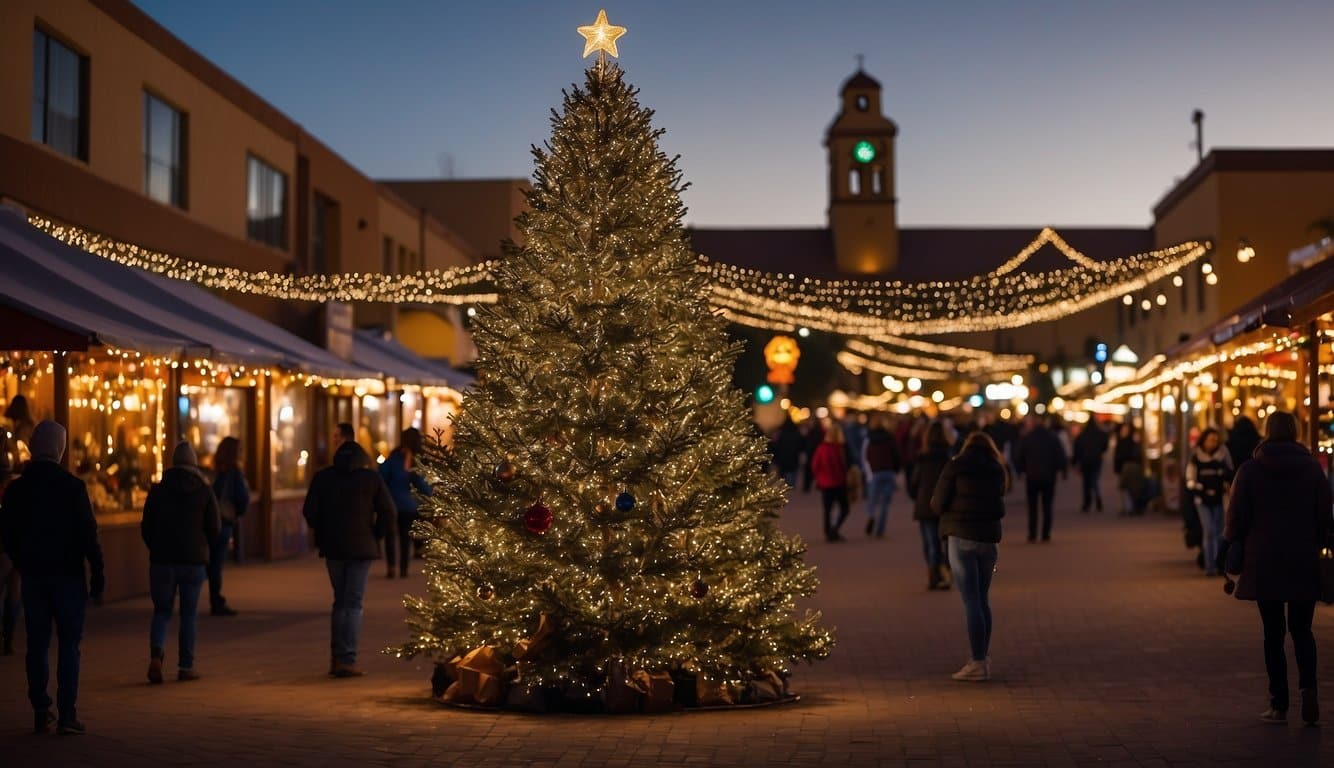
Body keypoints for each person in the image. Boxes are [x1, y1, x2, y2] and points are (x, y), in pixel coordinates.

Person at [1224, 411, 1331, 726]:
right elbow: (1326, 513)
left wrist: (1229, 546)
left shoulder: (1251, 469)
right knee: (1302, 630)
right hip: (1302, 558)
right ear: (1296, 431)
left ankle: (1278, 701)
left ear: (1267, 432)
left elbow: (1236, 518)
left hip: (1264, 560)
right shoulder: (1312, 469)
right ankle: (1308, 689)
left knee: (1273, 633)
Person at [0, 421, 104, 735]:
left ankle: (41, 707)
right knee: (69, 644)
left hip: (34, 575)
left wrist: (21, 560)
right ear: (59, 449)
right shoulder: (72, 487)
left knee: (37, 643)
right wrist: (97, 570)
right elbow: (88, 532)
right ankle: (68, 712)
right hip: (68, 575)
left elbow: (7, 532)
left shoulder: (18, 489)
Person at [303, 439, 394, 677]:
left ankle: (337, 657)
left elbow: (310, 511)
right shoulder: (370, 478)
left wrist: (323, 533)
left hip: (334, 547)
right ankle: (346, 657)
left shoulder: (323, 478)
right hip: (362, 547)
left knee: (340, 600)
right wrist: (376, 535)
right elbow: (388, 511)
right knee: (353, 602)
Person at [931, 431, 1009, 682]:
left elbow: (937, 502)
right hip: (988, 540)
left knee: (971, 601)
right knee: (982, 600)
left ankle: (977, 662)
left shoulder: (956, 466)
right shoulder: (997, 469)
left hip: (961, 536)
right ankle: (982, 658)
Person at [141, 442, 220, 683]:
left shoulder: (157, 490)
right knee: (189, 615)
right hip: (193, 561)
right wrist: (203, 545)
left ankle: (157, 655)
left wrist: (156, 547)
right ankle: (186, 666)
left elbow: (146, 526)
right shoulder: (204, 490)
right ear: (194, 463)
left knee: (162, 611)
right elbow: (214, 528)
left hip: (162, 561)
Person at [380, 428, 432, 579]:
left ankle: (392, 567)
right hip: (410, 505)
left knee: (392, 535)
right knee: (404, 536)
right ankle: (402, 568)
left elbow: (383, 474)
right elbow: (425, 487)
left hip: (393, 502)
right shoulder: (421, 459)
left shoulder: (395, 456)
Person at [908, 421, 952, 590]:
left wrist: (918, 496)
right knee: (946, 541)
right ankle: (945, 570)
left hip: (925, 506)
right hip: (945, 506)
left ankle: (933, 574)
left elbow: (913, 485)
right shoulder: (949, 459)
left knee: (930, 543)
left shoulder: (922, 459)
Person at [1185, 428, 1234, 578]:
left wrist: (1225, 482)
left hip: (1219, 498)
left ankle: (1219, 565)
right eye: (1210, 440)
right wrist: (1201, 489)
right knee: (1209, 530)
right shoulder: (1196, 456)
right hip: (1202, 500)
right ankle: (1210, 566)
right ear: (1204, 440)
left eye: (1215, 440)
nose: (1213, 443)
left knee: (1219, 531)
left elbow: (1230, 471)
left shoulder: (1223, 453)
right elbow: (1190, 479)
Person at [208, 436, 249, 616]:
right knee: (216, 562)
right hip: (224, 522)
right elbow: (242, 498)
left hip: (211, 520)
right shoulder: (234, 472)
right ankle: (216, 600)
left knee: (211, 561)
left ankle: (214, 597)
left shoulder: (217, 471)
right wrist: (238, 512)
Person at [1012, 415, 1067, 542]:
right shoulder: (1052, 437)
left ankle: (1032, 533)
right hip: (1049, 476)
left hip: (1032, 476)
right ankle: (1045, 533)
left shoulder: (1028, 438)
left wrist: (1021, 470)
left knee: (1032, 507)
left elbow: (1019, 456)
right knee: (1047, 505)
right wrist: (1062, 470)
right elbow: (1060, 456)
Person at [861, 413, 901, 538]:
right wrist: (896, 470)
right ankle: (880, 528)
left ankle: (871, 515)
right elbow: (896, 454)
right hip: (888, 471)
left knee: (872, 500)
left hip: (875, 472)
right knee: (885, 503)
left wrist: (868, 472)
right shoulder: (890, 437)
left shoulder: (869, 438)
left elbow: (864, 456)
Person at [810, 424, 850, 542]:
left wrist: (819, 477)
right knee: (845, 508)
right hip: (838, 483)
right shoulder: (839, 448)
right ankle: (834, 529)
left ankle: (828, 532)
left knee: (827, 509)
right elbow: (842, 466)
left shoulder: (821, 448)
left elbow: (815, 465)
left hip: (825, 484)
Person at [0, 449, 20, 655]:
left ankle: (6, 637)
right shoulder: (14, 489)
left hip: (5, 547)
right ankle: (8, 638)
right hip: (15, 547)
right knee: (13, 594)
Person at [1072, 421, 1109, 513]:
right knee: (1095, 480)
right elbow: (1105, 444)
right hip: (1096, 460)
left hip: (1085, 461)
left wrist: (1075, 462)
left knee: (1086, 483)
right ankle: (1097, 498)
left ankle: (1087, 503)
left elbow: (1077, 449)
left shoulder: (1082, 435)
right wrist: (1100, 452)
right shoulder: (1100, 434)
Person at [1113, 423, 1144, 515]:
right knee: (1125, 489)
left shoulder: (1130, 442)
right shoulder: (1122, 441)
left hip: (1129, 468)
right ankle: (1128, 507)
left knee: (1130, 489)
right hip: (1124, 468)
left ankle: (1131, 508)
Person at [770, 416, 804, 488]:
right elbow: (801, 444)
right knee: (793, 470)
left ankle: (786, 483)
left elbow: (777, 445)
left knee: (784, 470)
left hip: (783, 456)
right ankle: (792, 483)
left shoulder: (782, 433)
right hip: (794, 456)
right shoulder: (796, 433)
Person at [799, 419, 825, 494]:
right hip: (818, 453)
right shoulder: (821, 432)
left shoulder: (810, 432)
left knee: (808, 471)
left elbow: (806, 443)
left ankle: (806, 486)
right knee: (818, 470)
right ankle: (819, 484)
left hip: (810, 454)